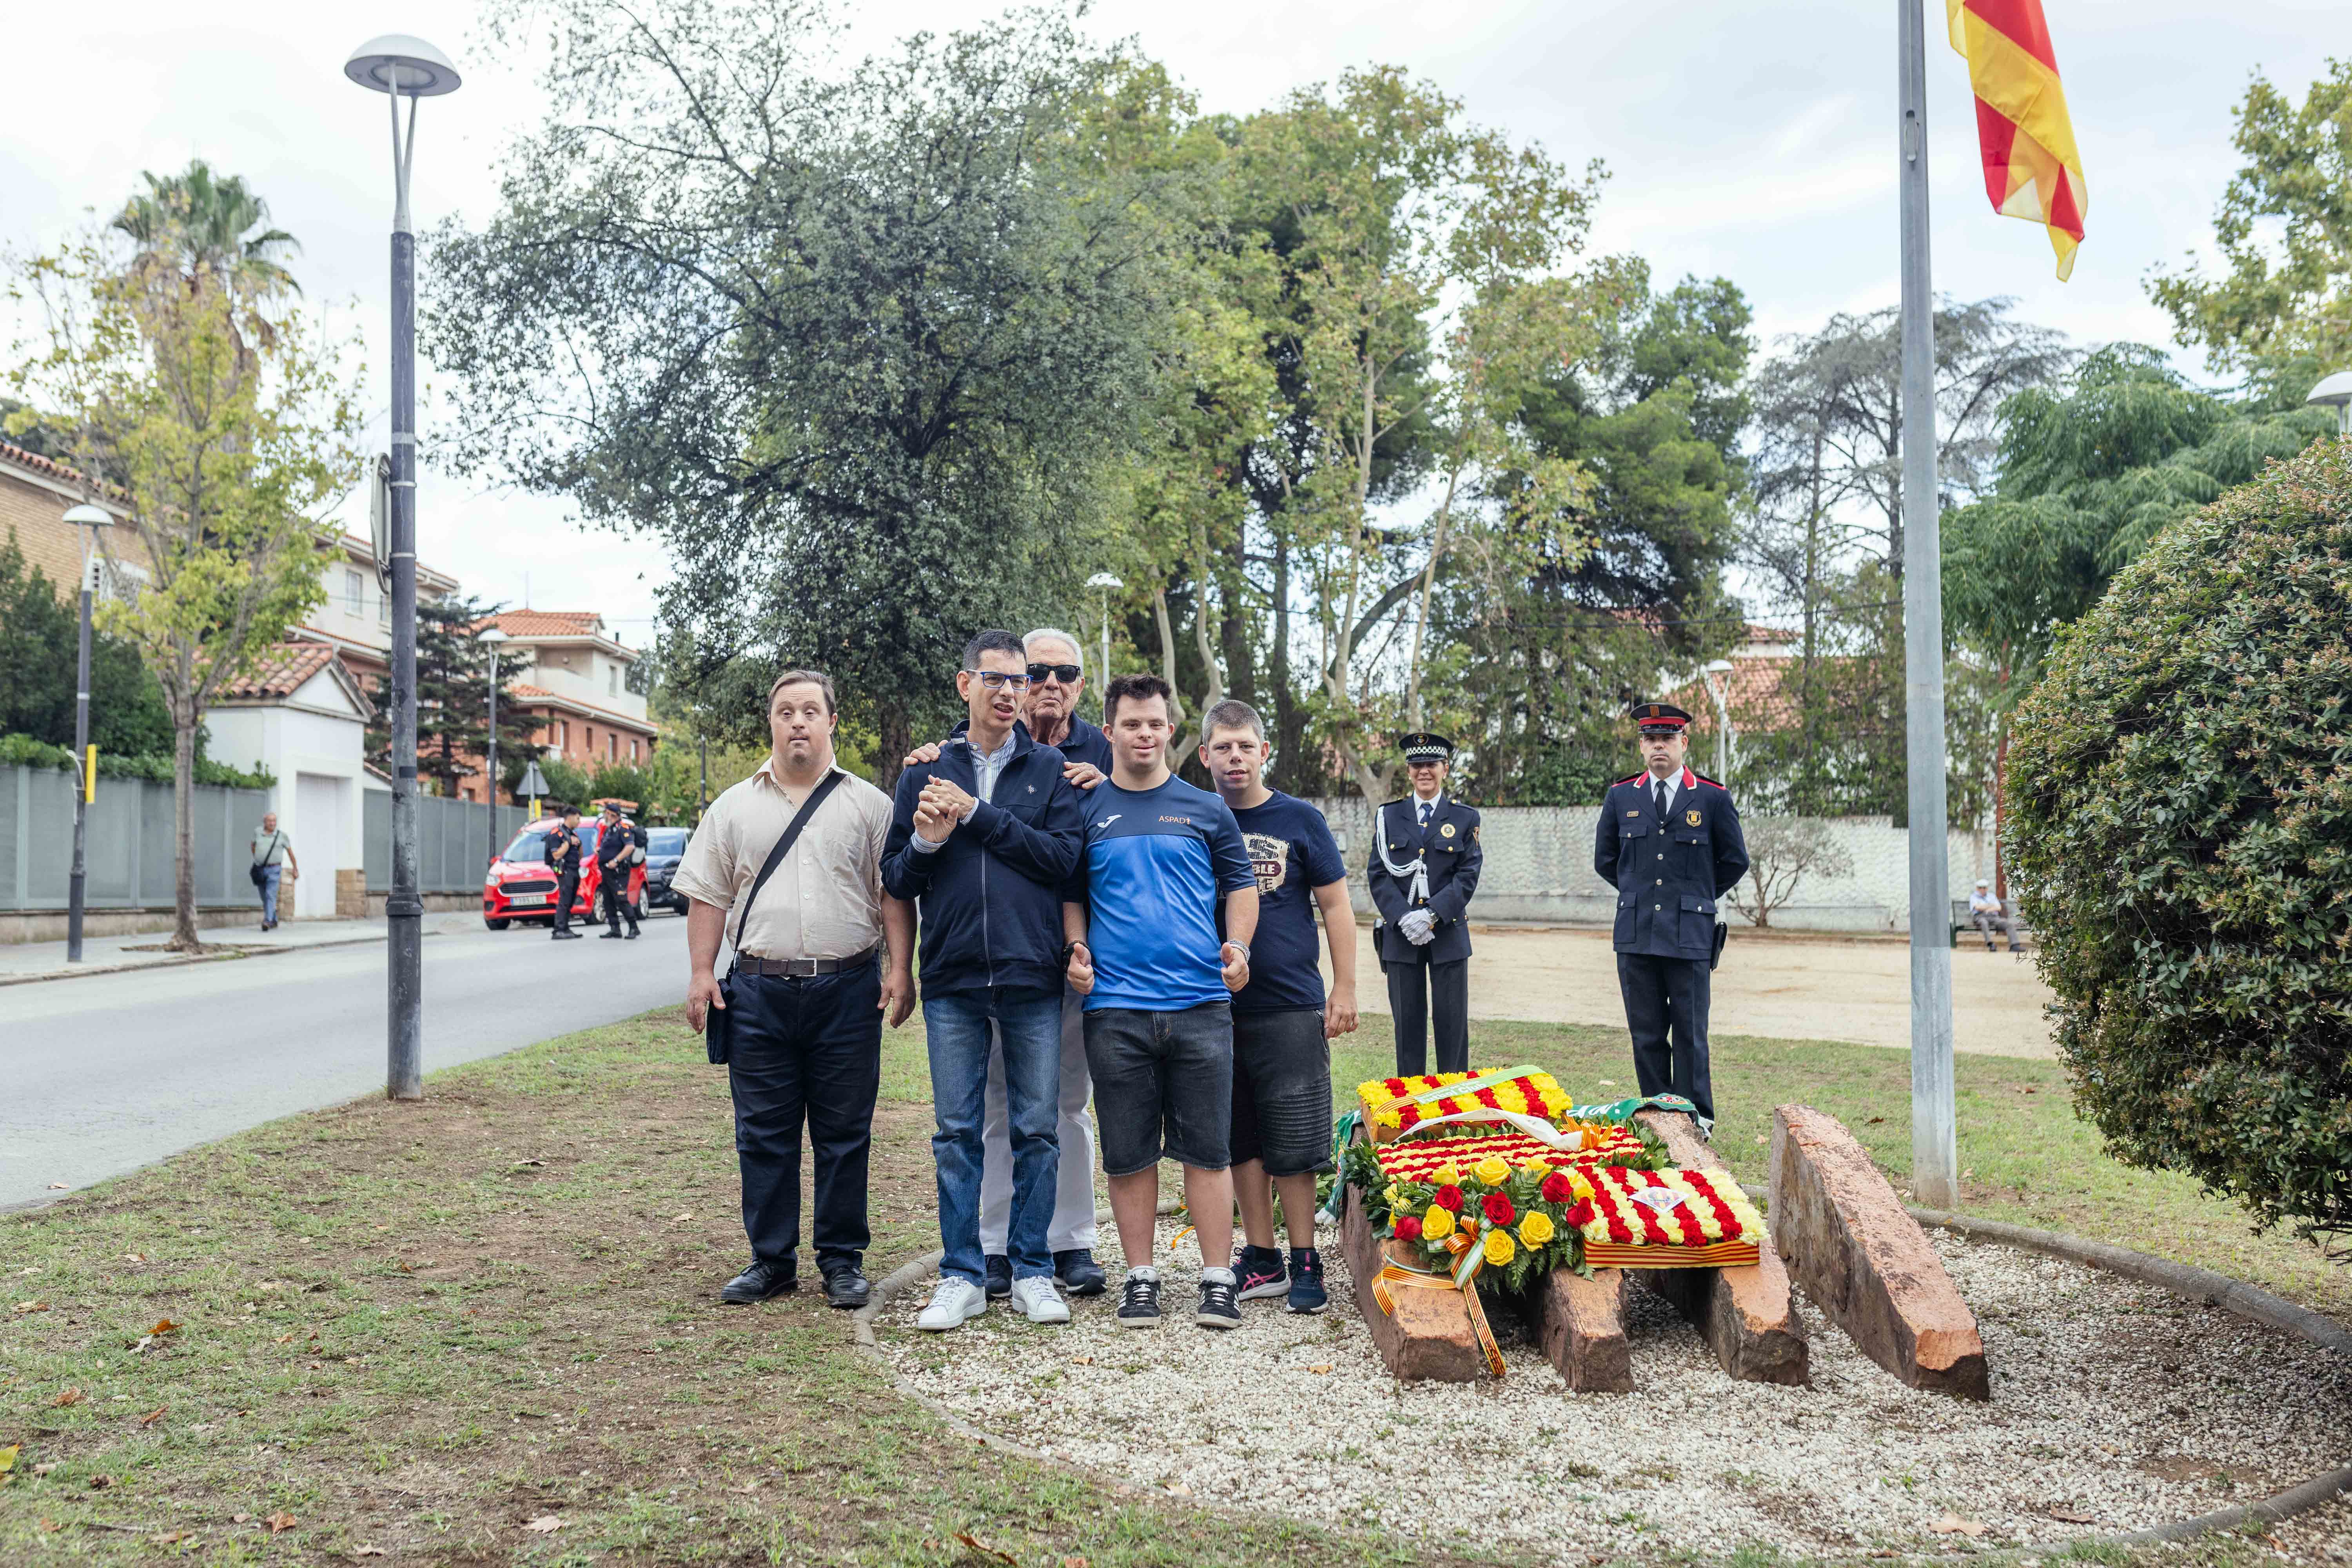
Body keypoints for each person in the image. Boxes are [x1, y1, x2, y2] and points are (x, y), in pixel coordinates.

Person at [674, 669, 915, 1310]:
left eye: (811, 710)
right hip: (757, 994)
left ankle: (841, 1261)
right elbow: (708, 896)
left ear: (832, 721)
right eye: (787, 712)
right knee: (763, 1132)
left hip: (848, 990)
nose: (799, 722)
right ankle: (771, 1261)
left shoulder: (870, 806)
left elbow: (893, 894)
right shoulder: (733, 807)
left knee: (845, 1131)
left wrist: (900, 969)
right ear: (773, 723)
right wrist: (702, 974)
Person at [903, 627, 1114, 1300]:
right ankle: (972, 1264)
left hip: (1044, 970)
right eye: (1004, 678)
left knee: (1048, 1120)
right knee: (964, 1126)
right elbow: (897, 875)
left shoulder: (1072, 763)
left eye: (1026, 679)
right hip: (957, 975)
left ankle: (1046, 1258)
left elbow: (1064, 860)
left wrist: (979, 816)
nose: (1022, 689)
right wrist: (928, 839)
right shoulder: (927, 769)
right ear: (967, 684)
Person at [1062, 673, 1258, 1330]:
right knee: (1129, 1153)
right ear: (1109, 732)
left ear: (1170, 731)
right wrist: (1076, 951)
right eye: (1131, 724)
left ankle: (1216, 1278)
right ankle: (1140, 1278)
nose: (1144, 734)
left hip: (1202, 1005)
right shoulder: (1086, 811)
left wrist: (1239, 948)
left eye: (1154, 724)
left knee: (1209, 1152)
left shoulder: (1206, 810)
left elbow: (1241, 886)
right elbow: (1071, 897)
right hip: (1114, 1011)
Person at [1198, 699, 1357, 1315]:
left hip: (1290, 1003)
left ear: (1264, 752)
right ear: (1205, 755)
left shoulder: (1300, 819)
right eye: (1222, 747)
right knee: (1241, 1137)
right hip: (1213, 1006)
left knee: (1296, 1138)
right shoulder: (1194, 816)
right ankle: (1261, 1257)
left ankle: (1305, 1258)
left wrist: (1343, 988)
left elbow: (1337, 907)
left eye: (1244, 746)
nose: (1234, 757)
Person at [1592, 701, 1749, 1125]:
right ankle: (1660, 1119)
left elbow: (1735, 860)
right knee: (1646, 1034)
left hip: (1689, 935)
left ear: (1684, 742)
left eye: (1667, 738)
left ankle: (1698, 1121)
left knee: (1690, 1035)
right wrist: (1639, 894)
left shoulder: (1713, 798)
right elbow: (1606, 860)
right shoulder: (1622, 796)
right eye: (1650, 739)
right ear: (1642, 746)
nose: (1659, 746)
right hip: (1637, 933)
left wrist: (1695, 897)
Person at [1367, 734, 1483, 1075]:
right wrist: (1404, 918)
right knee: (1407, 1028)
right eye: (1417, 766)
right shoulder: (1388, 816)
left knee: (1452, 1028)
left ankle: (1453, 1104)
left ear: (1445, 769)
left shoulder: (1464, 818)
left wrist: (1432, 915)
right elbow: (1377, 873)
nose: (1424, 772)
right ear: (1408, 772)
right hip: (1401, 937)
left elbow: (1468, 875)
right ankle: (1412, 1109)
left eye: (1431, 765)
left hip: (1447, 934)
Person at [594, 803, 644, 940]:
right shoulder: (609, 830)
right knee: (608, 900)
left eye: (607, 814)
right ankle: (615, 928)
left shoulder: (623, 828)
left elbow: (630, 847)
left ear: (612, 815)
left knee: (621, 899)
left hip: (618, 871)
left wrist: (615, 861)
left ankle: (634, 927)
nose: (606, 816)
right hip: (606, 871)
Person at [250, 813, 297, 931]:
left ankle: (267, 920)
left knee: (270, 895)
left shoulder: (282, 836)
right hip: (260, 869)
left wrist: (295, 868)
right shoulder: (258, 832)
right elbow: (253, 846)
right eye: (270, 821)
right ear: (264, 822)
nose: (272, 823)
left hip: (274, 869)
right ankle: (274, 919)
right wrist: (258, 858)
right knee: (264, 897)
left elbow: (290, 853)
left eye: (274, 821)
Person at [548, 807, 586, 940]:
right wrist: (569, 842)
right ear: (570, 817)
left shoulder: (573, 834)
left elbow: (581, 856)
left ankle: (566, 928)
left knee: (570, 900)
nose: (579, 821)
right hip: (565, 871)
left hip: (575, 870)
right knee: (564, 900)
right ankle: (559, 930)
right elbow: (556, 855)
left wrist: (578, 843)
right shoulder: (557, 833)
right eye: (578, 818)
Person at [1970, 878, 2022, 955]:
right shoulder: (1974, 897)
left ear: (1987, 888)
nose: (1983, 890)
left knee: (2008, 924)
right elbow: (1978, 908)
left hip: (1993, 917)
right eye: (1980, 888)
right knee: (1984, 923)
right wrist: (1991, 906)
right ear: (1977, 888)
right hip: (1980, 917)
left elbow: (1999, 908)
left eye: (1984, 888)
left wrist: (1986, 908)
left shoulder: (1992, 896)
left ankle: (2015, 945)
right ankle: (1991, 944)